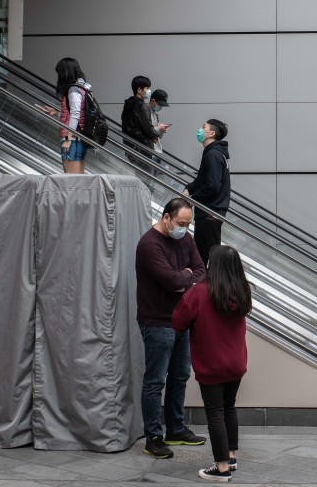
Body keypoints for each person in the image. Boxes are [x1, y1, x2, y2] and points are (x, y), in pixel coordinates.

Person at [172, 245, 250, 483]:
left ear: (211, 265)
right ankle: (232, 456)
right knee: (229, 407)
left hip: (211, 364)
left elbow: (178, 322)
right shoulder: (243, 290)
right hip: (236, 363)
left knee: (215, 412)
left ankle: (222, 468)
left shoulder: (199, 293)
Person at [136, 197, 207, 459]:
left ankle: (175, 429)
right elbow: (168, 280)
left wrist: (184, 279)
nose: (184, 230)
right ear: (166, 217)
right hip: (157, 321)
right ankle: (153, 437)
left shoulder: (185, 238)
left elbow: (200, 269)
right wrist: (184, 279)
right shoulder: (149, 245)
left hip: (182, 320)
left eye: (188, 225)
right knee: (155, 381)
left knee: (179, 376)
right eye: (180, 223)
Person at [183, 120, 230, 265]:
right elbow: (202, 180)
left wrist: (192, 199)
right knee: (207, 256)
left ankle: (208, 287)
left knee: (206, 259)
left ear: (211, 133)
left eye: (203, 127)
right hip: (211, 213)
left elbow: (212, 186)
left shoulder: (213, 155)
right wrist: (189, 188)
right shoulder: (214, 153)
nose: (200, 130)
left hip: (209, 213)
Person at [121, 76, 168, 173]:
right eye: (147, 88)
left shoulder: (129, 104)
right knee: (145, 180)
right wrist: (157, 134)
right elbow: (149, 129)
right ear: (139, 90)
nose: (149, 91)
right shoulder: (141, 106)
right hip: (142, 149)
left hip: (130, 145)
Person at [54, 57, 92, 174]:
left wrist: (68, 138)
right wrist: (57, 113)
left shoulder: (73, 90)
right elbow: (77, 112)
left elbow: (75, 114)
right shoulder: (82, 88)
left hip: (73, 139)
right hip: (78, 139)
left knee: (71, 180)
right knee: (77, 179)